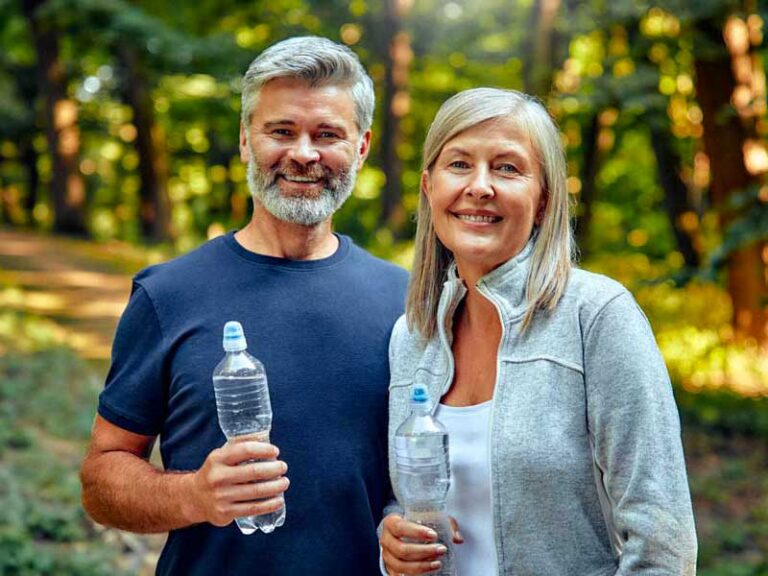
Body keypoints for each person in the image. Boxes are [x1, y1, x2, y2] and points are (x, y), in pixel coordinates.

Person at [80, 36, 408, 576]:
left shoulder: (407, 302)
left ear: (362, 147)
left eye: (327, 134)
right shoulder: (168, 294)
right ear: (244, 140)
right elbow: (100, 479)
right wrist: (194, 496)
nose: (304, 154)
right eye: (281, 131)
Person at [379, 88, 697, 575]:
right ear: (428, 186)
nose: (479, 186)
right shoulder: (412, 336)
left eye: (507, 168)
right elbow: (409, 500)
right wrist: (395, 537)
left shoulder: (597, 316)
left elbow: (663, 542)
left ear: (544, 199)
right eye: (459, 164)